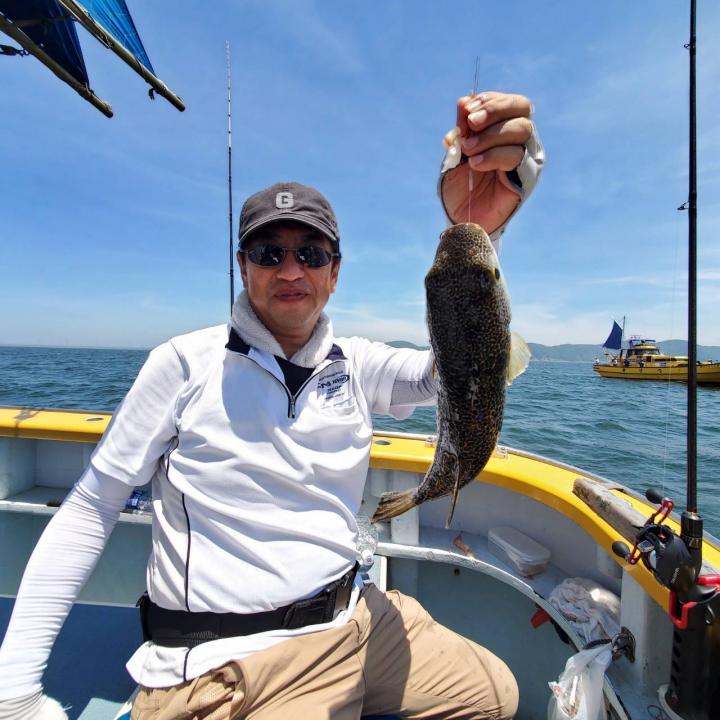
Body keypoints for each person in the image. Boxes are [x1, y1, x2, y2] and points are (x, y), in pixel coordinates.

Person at [0, 91, 543, 720]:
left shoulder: (357, 363)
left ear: (334, 273)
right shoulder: (182, 364)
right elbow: (92, 505)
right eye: (269, 253)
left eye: (310, 254)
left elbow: (456, 367)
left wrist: (483, 230)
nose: (290, 269)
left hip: (354, 616)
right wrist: (14, 687)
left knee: (497, 695)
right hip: (227, 662)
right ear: (243, 266)